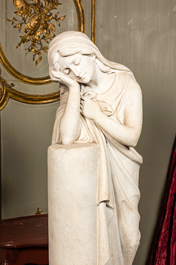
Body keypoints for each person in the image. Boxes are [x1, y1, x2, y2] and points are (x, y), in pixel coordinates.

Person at [48, 31, 143, 265]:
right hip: (89, 182)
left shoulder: (125, 84)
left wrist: (97, 115)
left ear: (91, 52)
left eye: (77, 63)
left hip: (123, 171)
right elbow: (67, 137)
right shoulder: (74, 92)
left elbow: (132, 137)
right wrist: (72, 87)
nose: (76, 72)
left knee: (129, 238)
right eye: (68, 70)